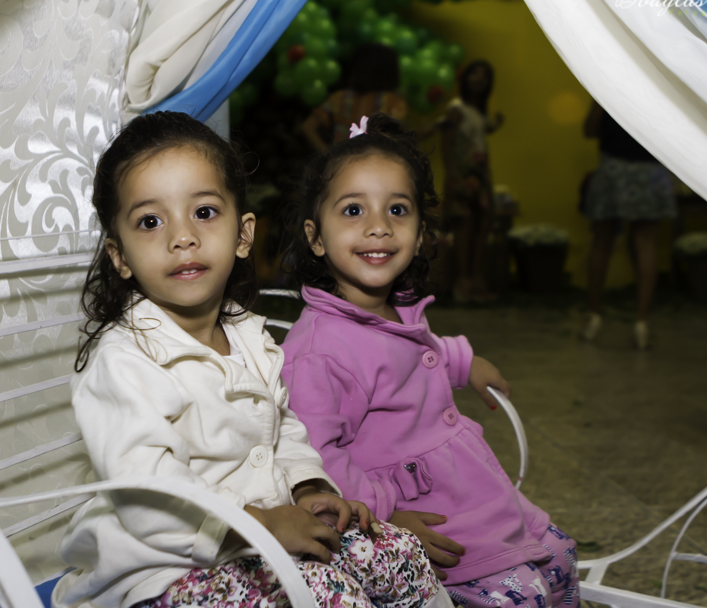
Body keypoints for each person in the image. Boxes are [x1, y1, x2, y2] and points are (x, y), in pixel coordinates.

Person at [52, 111, 452, 608]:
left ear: (243, 235)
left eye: (203, 212)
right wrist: (260, 525)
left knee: (399, 553)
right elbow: (149, 497)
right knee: (327, 591)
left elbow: (281, 428)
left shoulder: (246, 334)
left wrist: (307, 487)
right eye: (151, 222)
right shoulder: (123, 362)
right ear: (121, 256)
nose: (183, 237)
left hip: (262, 540)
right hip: (160, 574)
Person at [280, 113, 579, 608]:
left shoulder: (394, 306)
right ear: (315, 236)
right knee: (520, 595)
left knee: (563, 558)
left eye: (397, 209)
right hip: (420, 513)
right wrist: (383, 517)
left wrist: (464, 361)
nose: (378, 227)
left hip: (467, 491)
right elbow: (315, 457)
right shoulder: (318, 350)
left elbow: (418, 352)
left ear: (420, 234)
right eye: (353, 211)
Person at [580, 100, 677, 349]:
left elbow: (589, 130)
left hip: (612, 167)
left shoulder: (606, 85)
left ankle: (594, 315)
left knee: (601, 243)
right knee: (646, 245)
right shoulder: (657, 90)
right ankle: (642, 321)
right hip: (651, 171)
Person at [428, 60, 504, 302]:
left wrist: (494, 126)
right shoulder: (456, 108)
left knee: (482, 227)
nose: (479, 80)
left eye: (484, 76)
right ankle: (463, 284)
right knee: (464, 227)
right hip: (463, 174)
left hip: (480, 176)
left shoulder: (478, 111)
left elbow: (479, 132)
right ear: (465, 78)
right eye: (474, 74)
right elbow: (447, 141)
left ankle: (477, 281)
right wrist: (451, 175)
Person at [301, 43, 408, 152]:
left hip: (342, 163)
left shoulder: (340, 97)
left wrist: (327, 153)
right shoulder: (393, 102)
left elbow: (307, 126)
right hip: (375, 164)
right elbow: (397, 138)